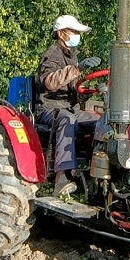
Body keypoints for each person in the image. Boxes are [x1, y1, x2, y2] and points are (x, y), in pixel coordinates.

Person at [36, 15, 101, 197]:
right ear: (60, 33)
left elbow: (75, 86)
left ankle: (97, 175)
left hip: (70, 107)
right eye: (73, 32)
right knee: (67, 119)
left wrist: (93, 88)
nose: (76, 35)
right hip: (49, 108)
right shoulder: (52, 54)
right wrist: (76, 69)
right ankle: (61, 178)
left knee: (101, 122)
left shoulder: (72, 56)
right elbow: (50, 82)